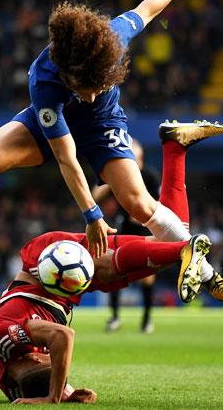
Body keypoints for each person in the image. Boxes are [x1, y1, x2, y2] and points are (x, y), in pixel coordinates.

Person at [0, 0, 221, 260]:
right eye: (83, 90)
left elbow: (148, 9)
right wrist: (91, 214)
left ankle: (206, 273)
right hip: (56, 121)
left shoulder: (113, 38)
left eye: (98, 88)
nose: (89, 97)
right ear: (67, 75)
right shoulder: (45, 82)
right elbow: (66, 158)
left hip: (102, 125)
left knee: (139, 204)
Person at [0, 121, 223, 404]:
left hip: (47, 265)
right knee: (166, 241)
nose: (43, 355)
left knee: (118, 262)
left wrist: (53, 397)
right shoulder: (16, 382)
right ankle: (175, 148)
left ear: (32, 364)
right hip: (66, 289)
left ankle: (200, 268)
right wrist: (68, 393)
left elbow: (63, 337)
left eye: (41, 360)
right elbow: (41, 374)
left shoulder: (6, 339)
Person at [91, 139, 159, 333]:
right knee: (114, 271)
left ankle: (146, 320)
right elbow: (95, 195)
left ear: (141, 158)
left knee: (147, 277)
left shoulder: (150, 176)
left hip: (146, 230)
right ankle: (114, 317)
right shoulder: (120, 173)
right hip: (124, 230)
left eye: (133, 157)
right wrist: (110, 180)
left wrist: (144, 217)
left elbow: (159, 203)